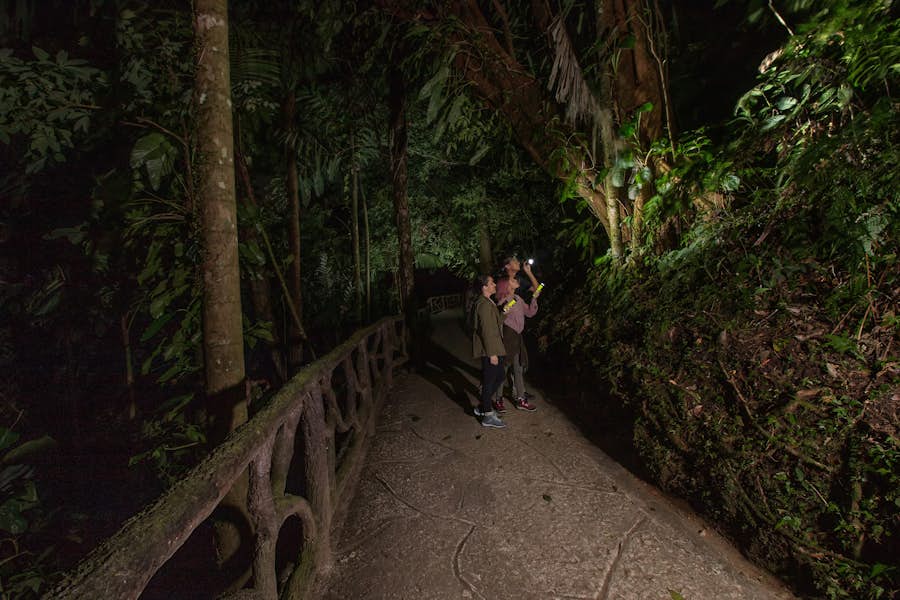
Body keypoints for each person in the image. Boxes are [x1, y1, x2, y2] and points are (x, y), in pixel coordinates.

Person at [494, 273, 540, 411]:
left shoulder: (518, 298)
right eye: (513, 280)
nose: (516, 281)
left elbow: (530, 313)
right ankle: (498, 399)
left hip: (517, 338)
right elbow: (500, 315)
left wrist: (534, 299)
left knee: (518, 369)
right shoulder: (505, 300)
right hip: (509, 338)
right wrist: (508, 304)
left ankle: (521, 400)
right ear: (508, 286)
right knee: (503, 369)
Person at [470, 274, 506, 428]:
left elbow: (497, 320)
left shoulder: (488, 301)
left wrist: (506, 309)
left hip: (495, 347)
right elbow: (486, 330)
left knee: (499, 376)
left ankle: (483, 407)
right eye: (491, 283)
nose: (494, 285)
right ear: (484, 287)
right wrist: (492, 354)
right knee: (490, 381)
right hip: (490, 349)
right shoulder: (483, 305)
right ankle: (488, 417)